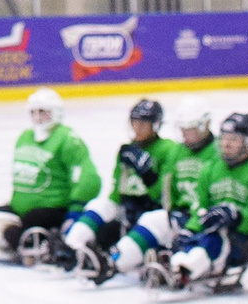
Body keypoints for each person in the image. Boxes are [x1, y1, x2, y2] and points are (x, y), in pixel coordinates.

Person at [0, 88, 100, 263]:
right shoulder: (25, 137)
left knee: (14, 233)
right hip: (20, 207)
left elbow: (89, 177)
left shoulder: (67, 139)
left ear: (56, 114)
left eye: (44, 112)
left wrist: (76, 209)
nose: (38, 117)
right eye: (34, 112)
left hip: (51, 209)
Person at [144, 112, 248, 293]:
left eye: (234, 139)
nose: (226, 144)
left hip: (246, 242)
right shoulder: (210, 169)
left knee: (216, 235)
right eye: (223, 138)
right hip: (210, 234)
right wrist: (190, 229)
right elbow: (199, 207)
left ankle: (182, 271)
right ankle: (177, 264)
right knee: (197, 235)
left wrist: (237, 217)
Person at [58, 98, 185, 279]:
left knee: (148, 221)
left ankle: (112, 261)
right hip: (129, 208)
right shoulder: (127, 150)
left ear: (156, 125)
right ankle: (70, 246)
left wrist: (147, 174)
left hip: (150, 208)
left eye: (144, 123)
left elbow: (164, 196)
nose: (138, 127)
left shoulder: (169, 149)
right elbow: (117, 192)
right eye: (135, 122)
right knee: (100, 205)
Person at [104, 105, 219, 282]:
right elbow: (163, 193)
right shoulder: (177, 151)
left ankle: (181, 271)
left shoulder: (218, 154)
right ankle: (113, 262)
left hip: (207, 217)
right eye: (182, 129)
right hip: (182, 215)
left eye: (190, 129)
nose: (185, 134)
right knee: (153, 219)